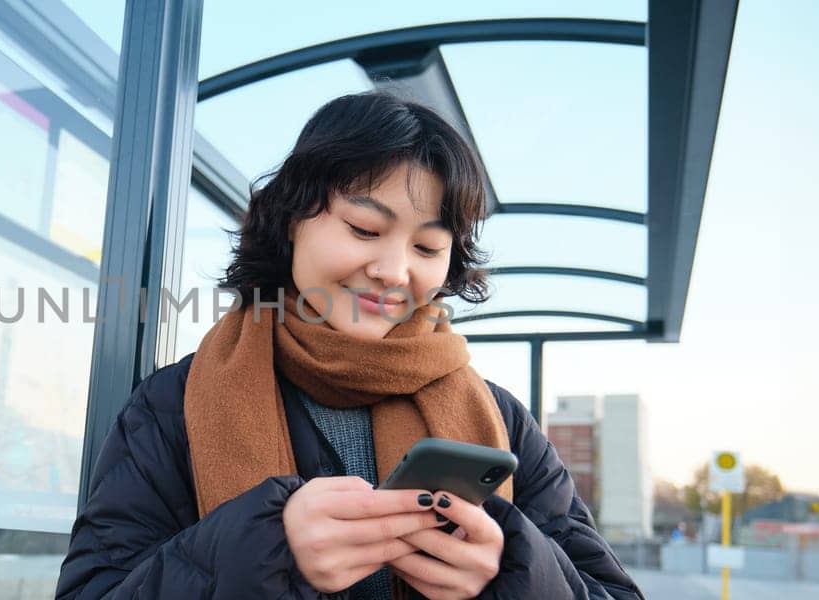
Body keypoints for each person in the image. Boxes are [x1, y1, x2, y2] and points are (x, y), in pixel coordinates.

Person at [56, 92, 642, 599]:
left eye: (428, 248)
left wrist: (511, 571)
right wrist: (267, 549)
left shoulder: (502, 419)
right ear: (290, 220)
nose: (393, 270)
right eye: (365, 229)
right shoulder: (170, 407)